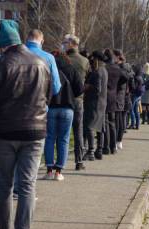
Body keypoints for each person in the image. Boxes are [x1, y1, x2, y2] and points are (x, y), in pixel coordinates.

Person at [0, 20, 51, 229]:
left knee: (4, 186)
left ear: (3, 44)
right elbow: (48, 96)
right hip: (35, 131)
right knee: (27, 186)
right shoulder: (41, 63)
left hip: (5, 132)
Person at [44, 51, 84, 180]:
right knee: (64, 139)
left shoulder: (48, 68)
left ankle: (49, 170)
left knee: (49, 138)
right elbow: (80, 89)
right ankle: (59, 172)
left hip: (51, 107)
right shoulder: (71, 69)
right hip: (67, 108)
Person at [63, 34, 90, 170]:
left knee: (63, 131)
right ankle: (79, 161)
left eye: (65, 42)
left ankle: (59, 161)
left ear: (72, 44)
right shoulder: (84, 61)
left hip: (63, 99)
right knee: (78, 130)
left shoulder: (63, 59)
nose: (63, 44)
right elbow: (88, 79)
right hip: (78, 99)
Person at [83, 51, 109, 160]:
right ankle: (99, 150)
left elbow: (97, 88)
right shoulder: (104, 70)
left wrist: (87, 86)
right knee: (100, 127)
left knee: (89, 126)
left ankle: (91, 151)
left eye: (92, 59)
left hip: (94, 102)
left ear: (96, 59)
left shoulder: (97, 72)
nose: (91, 61)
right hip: (102, 102)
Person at [103, 49, 128, 155]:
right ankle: (113, 147)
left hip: (104, 96)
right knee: (112, 122)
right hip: (114, 96)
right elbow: (126, 77)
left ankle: (106, 146)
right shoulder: (117, 68)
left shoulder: (104, 68)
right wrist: (117, 85)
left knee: (105, 122)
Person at [26, 29, 61, 96]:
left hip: (16, 103)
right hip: (40, 102)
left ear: (27, 40)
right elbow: (55, 88)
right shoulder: (49, 58)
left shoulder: (15, 55)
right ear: (42, 41)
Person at [113, 49, 131, 150]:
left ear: (117, 57)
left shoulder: (121, 68)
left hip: (119, 95)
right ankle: (119, 140)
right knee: (121, 119)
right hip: (124, 95)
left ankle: (117, 140)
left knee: (118, 120)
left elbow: (123, 79)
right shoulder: (127, 67)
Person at [129, 64, 145, 129]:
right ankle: (137, 124)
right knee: (136, 110)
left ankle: (133, 124)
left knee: (131, 109)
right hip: (139, 95)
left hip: (134, 95)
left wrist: (131, 82)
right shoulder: (141, 77)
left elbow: (133, 87)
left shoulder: (136, 78)